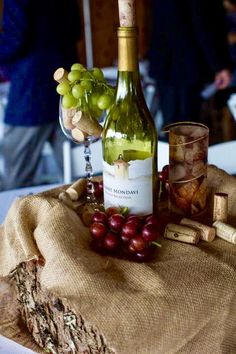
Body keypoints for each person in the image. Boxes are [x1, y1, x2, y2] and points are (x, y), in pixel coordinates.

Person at [0, 0, 81, 189]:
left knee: (17, 173)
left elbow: (15, 38)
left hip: (31, 89)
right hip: (66, 82)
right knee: (75, 174)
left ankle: (16, 217)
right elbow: (75, 31)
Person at [147, 0, 233, 132]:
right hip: (186, 62)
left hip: (165, 59)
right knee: (186, 128)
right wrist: (220, 65)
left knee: (172, 125)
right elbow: (204, 21)